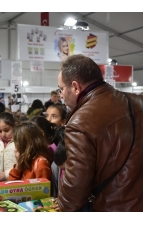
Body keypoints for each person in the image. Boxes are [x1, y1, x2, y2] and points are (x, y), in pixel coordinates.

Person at [55, 54, 143, 211]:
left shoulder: (79, 122)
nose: (61, 94)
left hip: (113, 208)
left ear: (75, 87)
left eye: (61, 89)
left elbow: (76, 185)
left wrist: (63, 205)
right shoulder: (138, 101)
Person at [0, 112, 17, 181]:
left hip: (15, 180)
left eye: (6, 130)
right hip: (1, 181)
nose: (3, 134)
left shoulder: (19, 142)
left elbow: (22, 164)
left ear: (14, 126)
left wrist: (6, 174)